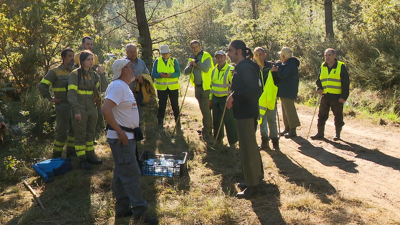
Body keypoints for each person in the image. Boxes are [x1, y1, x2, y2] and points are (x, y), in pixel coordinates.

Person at [101, 59, 158, 224]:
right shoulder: (117, 86)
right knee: (132, 174)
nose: (134, 70)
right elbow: (106, 109)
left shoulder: (124, 86)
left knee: (120, 174)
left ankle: (122, 209)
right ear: (123, 70)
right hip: (122, 139)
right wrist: (120, 132)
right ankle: (140, 213)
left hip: (127, 138)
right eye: (130, 67)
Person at [226, 40, 264, 198]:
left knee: (248, 148)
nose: (228, 54)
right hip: (243, 112)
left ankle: (253, 185)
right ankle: (252, 179)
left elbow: (254, 90)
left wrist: (234, 95)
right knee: (249, 146)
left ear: (239, 51)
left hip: (247, 113)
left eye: (230, 50)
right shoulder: (242, 67)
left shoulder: (246, 67)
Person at [67, 50, 108, 170]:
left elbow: (103, 88)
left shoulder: (94, 74)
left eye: (92, 59)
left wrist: (102, 74)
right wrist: (76, 111)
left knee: (90, 133)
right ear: (82, 61)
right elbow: (71, 94)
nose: (91, 62)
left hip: (92, 108)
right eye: (88, 59)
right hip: (79, 107)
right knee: (80, 135)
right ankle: (82, 160)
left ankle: (90, 156)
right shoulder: (75, 74)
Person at [39, 48, 76, 158]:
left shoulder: (75, 72)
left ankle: (71, 152)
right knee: (62, 132)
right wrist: (50, 98)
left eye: (73, 56)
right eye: (69, 56)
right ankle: (56, 155)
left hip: (74, 106)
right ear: (63, 57)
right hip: (63, 106)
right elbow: (42, 85)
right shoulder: (55, 71)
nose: (72, 58)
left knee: (73, 130)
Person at [311, 48, 350, 141]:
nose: (327, 57)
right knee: (321, 115)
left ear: (334, 56)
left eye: (329, 55)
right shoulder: (322, 66)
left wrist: (344, 97)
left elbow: (346, 83)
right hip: (325, 96)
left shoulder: (341, 66)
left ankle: (337, 134)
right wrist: (319, 88)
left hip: (337, 97)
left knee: (338, 116)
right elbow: (318, 80)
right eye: (326, 55)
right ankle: (320, 133)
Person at [74, 36, 106, 143]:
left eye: (91, 44)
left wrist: (102, 74)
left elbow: (101, 86)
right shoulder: (76, 68)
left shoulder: (94, 69)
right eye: (88, 44)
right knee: (80, 131)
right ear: (83, 44)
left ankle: (90, 150)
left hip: (92, 103)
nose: (90, 46)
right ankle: (80, 156)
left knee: (91, 129)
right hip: (80, 104)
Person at [184, 40, 214, 140]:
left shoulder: (206, 56)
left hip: (205, 87)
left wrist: (196, 64)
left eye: (196, 47)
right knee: (202, 108)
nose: (195, 49)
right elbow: (186, 71)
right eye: (193, 47)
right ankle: (207, 129)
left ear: (200, 47)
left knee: (205, 110)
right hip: (197, 87)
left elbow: (206, 68)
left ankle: (207, 133)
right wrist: (191, 64)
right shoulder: (192, 57)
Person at [209, 50, 238, 148]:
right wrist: (210, 99)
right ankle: (218, 139)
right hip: (215, 98)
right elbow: (211, 85)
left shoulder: (230, 69)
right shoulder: (214, 70)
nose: (219, 59)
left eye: (221, 57)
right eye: (217, 57)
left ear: (225, 57)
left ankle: (233, 143)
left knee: (229, 121)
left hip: (226, 99)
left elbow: (234, 85)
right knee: (216, 121)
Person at [254, 47, 280, 151]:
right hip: (259, 99)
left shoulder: (271, 66)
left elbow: (278, 82)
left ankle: (275, 142)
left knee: (272, 121)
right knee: (262, 121)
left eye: (260, 54)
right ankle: (264, 142)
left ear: (265, 55)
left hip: (270, 98)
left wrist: (274, 73)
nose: (259, 57)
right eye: (256, 55)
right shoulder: (253, 68)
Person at [152, 45, 181, 130]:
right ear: (161, 53)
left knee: (175, 105)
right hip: (161, 88)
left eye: (166, 53)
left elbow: (178, 73)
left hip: (173, 87)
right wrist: (160, 75)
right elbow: (153, 74)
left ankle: (178, 123)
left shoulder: (174, 61)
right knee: (162, 106)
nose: (165, 55)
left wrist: (170, 75)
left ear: (169, 52)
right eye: (163, 54)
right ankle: (160, 124)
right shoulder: (157, 61)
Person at [125, 44, 154, 123]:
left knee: (140, 113)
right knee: (129, 114)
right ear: (127, 53)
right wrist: (134, 77)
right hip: (127, 93)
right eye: (131, 52)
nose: (133, 54)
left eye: (135, 52)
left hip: (140, 91)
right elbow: (121, 77)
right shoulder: (123, 63)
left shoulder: (141, 62)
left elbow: (147, 74)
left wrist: (142, 77)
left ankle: (139, 128)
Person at [276, 47, 301, 138]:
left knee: (290, 110)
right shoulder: (288, 63)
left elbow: (282, 74)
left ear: (283, 55)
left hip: (288, 90)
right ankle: (287, 128)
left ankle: (292, 129)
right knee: (284, 109)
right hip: (285, 90)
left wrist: (278, 67)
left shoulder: (290, 64)